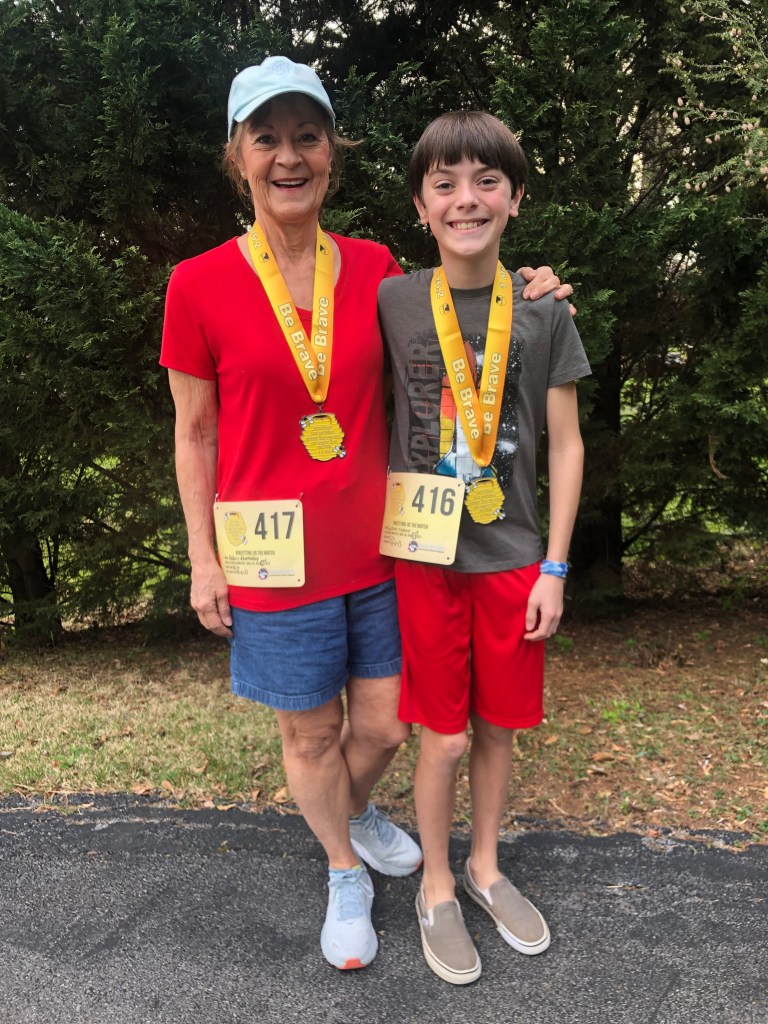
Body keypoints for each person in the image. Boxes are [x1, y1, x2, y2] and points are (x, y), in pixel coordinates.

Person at [160, 56, 573, 972]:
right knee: (310, 733)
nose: (289, 157)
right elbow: (194, 433)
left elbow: (467, 311)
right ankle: (344, 868)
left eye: (307, 137)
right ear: (237, 156)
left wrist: (533, 287)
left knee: (387, 726)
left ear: (331, 153)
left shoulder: (380, 271)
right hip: (269, 556)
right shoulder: (197, 284)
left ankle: (348, 811)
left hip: (386, 546)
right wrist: (202, 557)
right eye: (267, 139)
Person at [378, 110, 591, 984]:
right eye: (445, 184)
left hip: (514, 562)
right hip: (425, 562)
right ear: (421, 206)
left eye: (486, 182)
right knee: (443, 739)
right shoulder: (391, 300)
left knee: (498, 730)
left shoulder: (542, 310)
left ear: (515, 199)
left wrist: (556, 567)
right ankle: (435, 883)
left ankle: (486, 868)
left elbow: (567, 445)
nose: (466, 199)